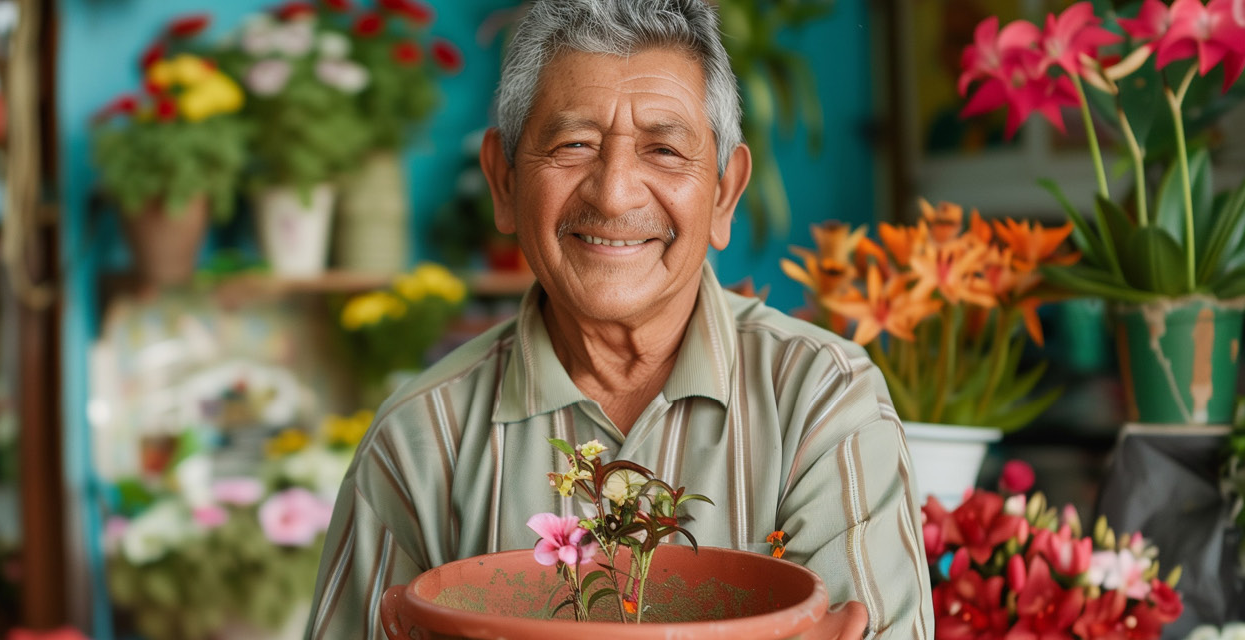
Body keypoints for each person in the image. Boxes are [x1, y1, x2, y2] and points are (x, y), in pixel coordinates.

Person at [304, 1, 934, 638]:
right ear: (503, 181)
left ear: (724, 194)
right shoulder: (418, 440)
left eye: (664, 150)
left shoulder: (821, 404)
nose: (614, 193)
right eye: (573, 144)